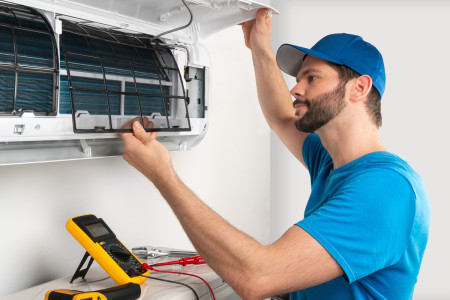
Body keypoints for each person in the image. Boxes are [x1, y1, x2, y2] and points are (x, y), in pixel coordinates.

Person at [121, 8, 430, 300]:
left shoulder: (385, 190)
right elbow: (283, 117)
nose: (296, 89)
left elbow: (257, 277)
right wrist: (259, 47)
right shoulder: (331, 161)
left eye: (312, 78)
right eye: (298, 80)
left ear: (359, 87)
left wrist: (163, 175)